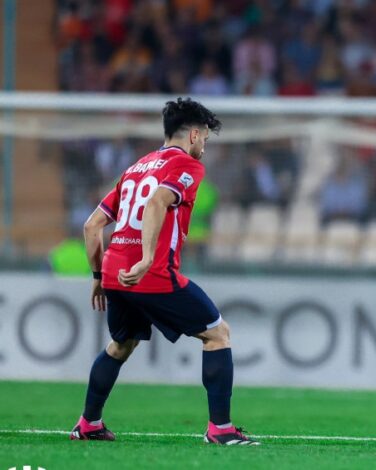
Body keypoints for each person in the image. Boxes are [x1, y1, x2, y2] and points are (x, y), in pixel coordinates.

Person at [70, 97, 258, 445]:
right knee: (217, 334)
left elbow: (91, 225)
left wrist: (98, 277)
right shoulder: (186, 165)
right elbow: (158, 200)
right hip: (151, 274)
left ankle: (88, 423)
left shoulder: (136, 167)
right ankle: (220, 429)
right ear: (194, 135)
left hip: (114, 273)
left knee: (121, 344)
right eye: (205, 138)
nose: (204, 147)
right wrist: (145, 259)